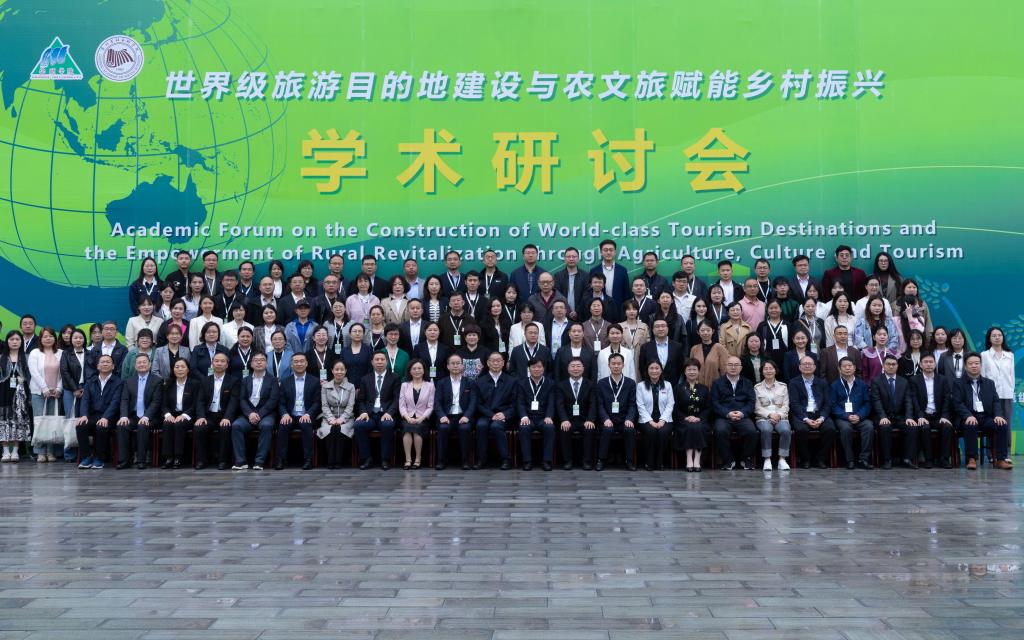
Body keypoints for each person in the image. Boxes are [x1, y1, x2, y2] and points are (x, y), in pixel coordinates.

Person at [952, 353, 1011, 470]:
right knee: (970, 424)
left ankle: (1000, 459)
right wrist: (968, 415)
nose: (974, 366)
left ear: (981, 365)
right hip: (967, 417)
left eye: (977, 363)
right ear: (965, 366)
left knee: (1002, 424)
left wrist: (998, 415)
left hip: (985, 417)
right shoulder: (958, 383)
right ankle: (972, 458)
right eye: (970, 363)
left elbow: (996, 401)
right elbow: (957, 403)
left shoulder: (989, 383)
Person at [230, 352, 279, 471]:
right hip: (248, 414)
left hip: (266, 414)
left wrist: (259, 414)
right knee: (236, 425)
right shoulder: (245, 380)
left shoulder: (273, 380)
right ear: (251, 364)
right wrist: (250, 413)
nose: (259, 362)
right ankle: (241, 461)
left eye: (262, 360)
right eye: (256, 360)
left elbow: (273, 400)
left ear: (266, 363)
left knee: (267, 425)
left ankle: (259, 461)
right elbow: (242, 399)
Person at [788, 355, 837, 469]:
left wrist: (822, 418)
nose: (807, 366)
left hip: (819, 413)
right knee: (801, 430)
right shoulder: (793, 383)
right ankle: (805, 459)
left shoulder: (822, 382)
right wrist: (806, 419)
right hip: (802, 414)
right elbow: (794, 404)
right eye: (804, 364)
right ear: (799, 367)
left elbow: (828, 403)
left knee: (830, 429)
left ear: (815, 367)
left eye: (810, 364)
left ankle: (821, 458)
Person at [194, 352, 240, 470]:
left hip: (224, 415)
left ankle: (223, 461)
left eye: (222, 361)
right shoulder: (205, 381)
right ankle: (201, 460)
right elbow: (200, 401)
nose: (219, 363)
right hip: (208, 416)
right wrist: (201, 416)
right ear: (212, 364)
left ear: (227, 365)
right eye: (216, 361)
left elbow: (233, 402)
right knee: (199, 428)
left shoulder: (233, 381)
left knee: (225, 427)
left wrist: (227, 417)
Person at [115, 353, 162, 469]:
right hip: (134, 416)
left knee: (143, 426)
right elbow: (124, 400)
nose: (141, 364)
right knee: (122, 425)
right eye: (139, 363)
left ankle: (142, 460)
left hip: (150, 416)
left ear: (149, 364)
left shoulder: (157, 381)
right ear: (135, 366)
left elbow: (156, 402)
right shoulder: (129, 381)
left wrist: (146, 416)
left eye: (144, 362)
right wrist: (124, 416)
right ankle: (124, 460)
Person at [353, 352, 399, 470]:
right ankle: (367, 459)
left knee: (388, 425)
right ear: (372, 362)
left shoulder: (395, 378)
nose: (379, 362)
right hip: (370, 415)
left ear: (386, 362)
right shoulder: (365, 379)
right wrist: (363, 412)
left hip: (386, 413)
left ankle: (385, 459)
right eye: (377, 360)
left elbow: (396, 399)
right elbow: (361, 400)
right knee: (358, 425)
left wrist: (389, 413)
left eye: (382, 359)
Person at [869, 354, 916, 469]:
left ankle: (906, 459)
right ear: (883, 366)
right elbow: (876, 401)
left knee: (912, 427)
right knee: (885, 427)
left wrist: (909, 417)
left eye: (893, 364)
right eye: (888, 364)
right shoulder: (876, 381)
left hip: (899, 417)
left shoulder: (904, 381)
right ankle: (887, 459)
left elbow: (908, 401)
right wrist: (882, 417)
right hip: (882, 416)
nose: (891, 366)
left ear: (897, 366)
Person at [275, 353, 321, 470]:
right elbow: (281, 402)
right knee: (283, 425)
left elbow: (317, 402)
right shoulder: (285, 381)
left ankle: (308, 459)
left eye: (301, 361)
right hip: (290, 415)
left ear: (306, 363)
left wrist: (308, 414)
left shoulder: (315, 381)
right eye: (296, 361)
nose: (299, 364)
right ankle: (281, 459)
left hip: (306, 415)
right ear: (291, 365)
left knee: (306, 425)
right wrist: (284, 414)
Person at [909, 353, 955, 469]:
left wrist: (945, 416)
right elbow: (914, 400)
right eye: (926, 362)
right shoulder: (914, 380)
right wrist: (920, 416)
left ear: (935, 364)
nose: (929, 364)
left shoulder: (943, 379)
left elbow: (946, 399)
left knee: (947, 427)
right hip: (923, 415)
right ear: (921, 365)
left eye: (931, 362)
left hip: (938, 416)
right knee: (924, 428)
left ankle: (944, 459)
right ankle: (928, 459)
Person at [434, 353, 479, 470]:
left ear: (462, 366)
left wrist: (467, 416)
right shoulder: (441, 383)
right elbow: (437, 402)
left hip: (463, 416)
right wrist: (442, 416)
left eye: (458, 363)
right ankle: (441, 461)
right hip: (447, 416)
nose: (455, 366)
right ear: (448, 366)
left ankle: (465, 461)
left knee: (464, 428)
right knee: (443, 428)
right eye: (452, 363)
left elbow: (473, 402)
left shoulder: (470, 382)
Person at [475, 352, 517, 470]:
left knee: (496, 426)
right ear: (488, 363)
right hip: (486, 414)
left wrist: (504, 414)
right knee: (481, 425)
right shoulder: (480, 381)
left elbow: (515, 403)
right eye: (493, 361)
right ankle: (481, 459)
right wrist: (491, 414)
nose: (496, 363)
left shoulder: (512, 381)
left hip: (504, 415)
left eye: (498, 361)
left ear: (503, 363)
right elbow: (478, 403)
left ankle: (505, 459)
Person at [595, 352, 638, 471]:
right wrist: (605, 419)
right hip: (608, 418)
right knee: (607, 429)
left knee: (629, 430)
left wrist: (629, 419)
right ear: (608, 365)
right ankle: (601, 460)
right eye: (613, 364)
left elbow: (632, 404)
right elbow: (600, 405)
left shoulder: (630, 383)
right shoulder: (602, 383)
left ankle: (629, 461)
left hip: (624, 419)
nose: (616, 366)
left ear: (623, 365)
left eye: (619, 364)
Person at [830, 356, 874, 469]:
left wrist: (859, 415)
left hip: (859, 416)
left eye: (850, 366)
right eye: (844, 366)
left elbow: (867, 403)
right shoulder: (834, 385)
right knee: (845, 429)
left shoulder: (862, 384)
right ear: (839, 369)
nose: (847, 368)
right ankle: (849, 460)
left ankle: (864, 459)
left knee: (869, 426)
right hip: (843, 418)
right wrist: (847, 416)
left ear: (854, 368)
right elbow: (833, 405)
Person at [981, 327, 1015, 467]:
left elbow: (1012, 376)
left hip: (1006, 394)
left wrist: (1011, 391)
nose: (997, 337)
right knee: (992, 424)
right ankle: (991, 454)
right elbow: (983, 376)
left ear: (1003, 337)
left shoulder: (1010, 355)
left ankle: (1006, 454)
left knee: (1006, 425)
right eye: (993, 335)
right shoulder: (984, 355)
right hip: (990, 396)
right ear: (989, 338)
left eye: (999, 335)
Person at [555, 357, 597, 470]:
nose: (575, 369)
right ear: (568, 368)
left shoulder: (590, 385)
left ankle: (587, 462)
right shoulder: (561, 385)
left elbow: (593, 404)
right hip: (568, 419)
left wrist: (590, 420)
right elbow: (560, 405)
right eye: (573, 366)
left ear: (583, 368)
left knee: (589, 429)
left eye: (578, 366)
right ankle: (567, 461)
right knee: (564, 429)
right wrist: (564, 419)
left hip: (584, 419)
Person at [28, 327, 62, 462]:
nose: (48, 339)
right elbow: (34, 372)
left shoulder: (61, 353)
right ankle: (40, 452)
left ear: (55, 338)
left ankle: (50, 451)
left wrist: (59, 388)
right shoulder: (35, 353)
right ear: (41, 339)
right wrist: (44, 388)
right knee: (40, 422)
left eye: (51, 336)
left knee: (52, 423)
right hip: (38, 392)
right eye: (45, 336)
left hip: (55, 393)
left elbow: (64, 372)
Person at [159, 358, 200, 469]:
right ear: (173, 369)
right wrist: (168, 415)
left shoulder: (195, 384)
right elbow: (163, 404)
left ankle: (178, 457)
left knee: (179, 424)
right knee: (167, 424)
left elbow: (195, 404)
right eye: (177, 367)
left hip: (188, 415)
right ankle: (168, 457)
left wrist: (184, 415)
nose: (180, 369)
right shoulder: (168, 384)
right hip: (172, 414)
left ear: (188, 369)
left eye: (183, 367)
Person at [0, 332, 33, 463]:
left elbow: (31, 377)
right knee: (3, 421)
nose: (14, 342)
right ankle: (5, 451)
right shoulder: (1, 357)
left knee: (18, 421)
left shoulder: (27, 357)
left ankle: (15, 451)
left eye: (17, 339)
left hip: (20, 393)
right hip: (3, 392)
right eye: (11, 339)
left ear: (21, 341)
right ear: (7, 341)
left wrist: (24, 380)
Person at [753, 359, 791, 471]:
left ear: (775, 370)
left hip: (781, 417)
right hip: (763, 418)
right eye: (766, 369)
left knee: (785, 430)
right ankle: (767, 459)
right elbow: (757, 407)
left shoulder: (783, 386)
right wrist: (769, 415)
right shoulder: (757, 387)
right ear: (762, 371)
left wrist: (778, 415)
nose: (768, 371)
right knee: (766, 429)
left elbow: (786, 405)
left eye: (771, 368)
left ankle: (782, 459)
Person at [636, 361, 673, 471]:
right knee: (651, 431)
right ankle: (649, 461)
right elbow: (640, 405)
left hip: (665, 418)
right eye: (651, 368)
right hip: (646, 419)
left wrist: (662, 420)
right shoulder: (641, 386)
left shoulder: (667, 385)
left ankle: (660, 461)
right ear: (647, 371)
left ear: (661, 370)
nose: (654, 371)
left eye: (657, 368)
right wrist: (650, 421)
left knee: (663, 432)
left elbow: (670, 404)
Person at [59, 328, 89, 462]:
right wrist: (75, 389)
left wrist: (86, 389)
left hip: (87, 389)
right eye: (75, 337)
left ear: (84, 339)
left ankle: (84, 452)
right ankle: (69, 454)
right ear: (71, 340)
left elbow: (93, 372)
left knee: (83, 418)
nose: (78, 340)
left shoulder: (90, 353)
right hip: (70, 390)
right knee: (70, 419)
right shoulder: (66, 353)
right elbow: (64, 372)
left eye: (80, 337)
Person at [320, 360, 356, 470]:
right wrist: (331, 418)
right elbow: (324, 405)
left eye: (342, 369)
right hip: (329, 417)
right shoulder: (325, 386)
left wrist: (342, 419)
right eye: (336, 369)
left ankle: (338, 460)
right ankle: (330, 460)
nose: (339, 372)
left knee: (340, 429)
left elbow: (350, 406)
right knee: (330, 429)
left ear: (345, 371)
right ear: (332, 371)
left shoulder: (351, 387)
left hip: (347, 418)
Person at [398, 359, 433, 470]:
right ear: (410, 371)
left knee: (417, 429)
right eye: (414, 369)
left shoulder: (430, 386)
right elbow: (402, 405)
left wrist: (421, 418)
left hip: (423, 418)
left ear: (424, 370)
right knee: (407, 429)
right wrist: (407, 417)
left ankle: (418, 459)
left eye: (419, 368)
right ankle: (408, 460)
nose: (417, 371)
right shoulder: (404, 385)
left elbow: (430, 406)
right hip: (407, 417)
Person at [637, 318, 683, 385]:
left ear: (668, 329)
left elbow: (680, 367)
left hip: (672, 385)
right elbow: (642, 368)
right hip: (651, 385)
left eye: (663, 326)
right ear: (652, 330)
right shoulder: (645, 347)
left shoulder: (677, 347)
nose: (660, 329)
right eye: (657, 326)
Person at [590, 239, 629, 308]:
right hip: (599, 309)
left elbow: (626, 293)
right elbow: (590, 292)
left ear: (615, 252)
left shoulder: (622, 270)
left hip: (618, 308)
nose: (608, 252)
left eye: (611, 250)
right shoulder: (594, 271)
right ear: (601, 252)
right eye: (605, 250)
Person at [689, 321, 729, 388]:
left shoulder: (720, 348)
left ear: (713, 331)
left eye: (708, 330)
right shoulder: (694, 349)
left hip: (715, 387)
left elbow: (724, 370)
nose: (705, 333)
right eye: (702, 330)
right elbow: (691, 368)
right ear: (698, 332)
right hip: (698, 387)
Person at [755, 300, 790, 370]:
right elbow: (758, 342)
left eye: (776, 308)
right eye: (771, 308)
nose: (773, 310)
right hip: (766, 360)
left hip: (784, 360)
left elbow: (791, 343)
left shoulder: (787, 325)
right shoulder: (762, 325)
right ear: (767, 310)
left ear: (781, 309)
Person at [553, 246, 587, 319]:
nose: (571, 259)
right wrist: (567, 311)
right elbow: (557, 296)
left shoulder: (585, 276)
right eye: (568, 257)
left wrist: (577, 311)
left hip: (581, 315)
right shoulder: (558, 276)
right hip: (562, 314)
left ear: (578, 258)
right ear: (564, 259)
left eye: (574, 256)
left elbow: (586, 296)